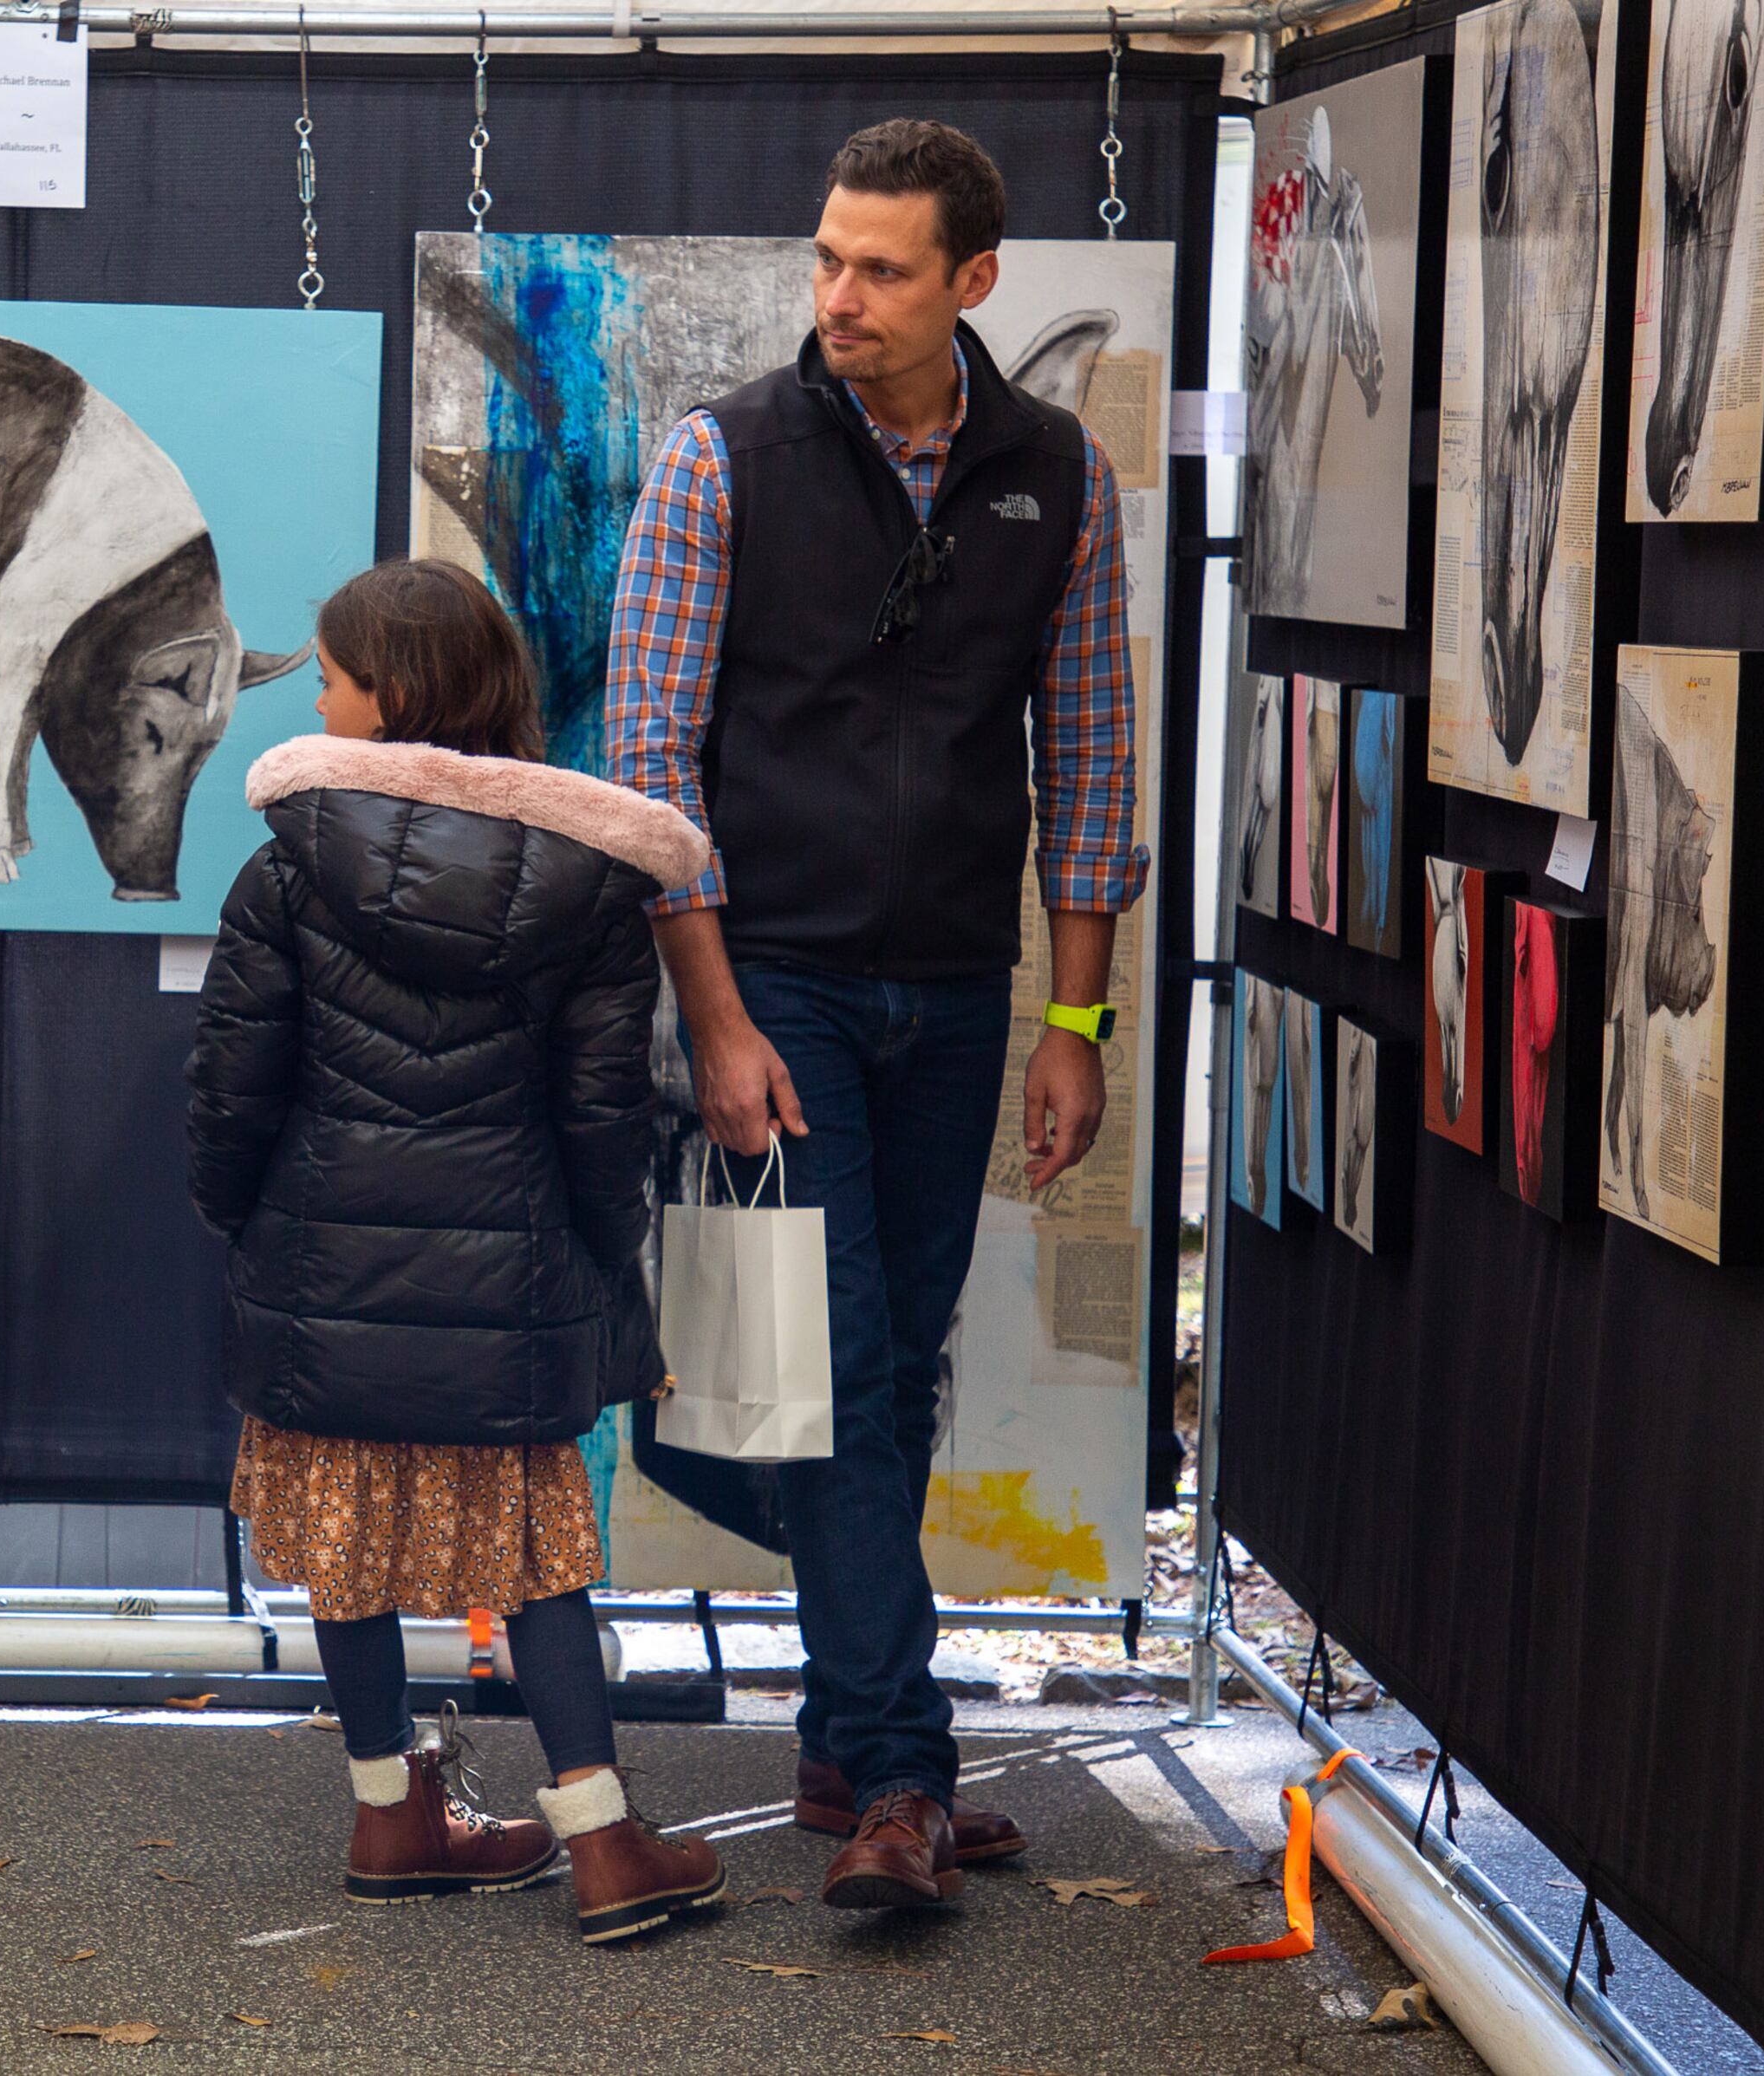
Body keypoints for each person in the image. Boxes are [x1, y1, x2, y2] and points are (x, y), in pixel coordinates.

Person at [602, 119, 1146, 1910]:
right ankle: (907, 1777)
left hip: (958, 993)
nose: (837, 294)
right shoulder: (720, 460)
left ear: (973, 281)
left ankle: (844, 1737)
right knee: (826, 1377)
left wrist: (1080, 1024)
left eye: (881, 267)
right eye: (827, 257)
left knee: (893, 1370)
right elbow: (649, 763)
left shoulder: (1062, 478)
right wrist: (720, 1018)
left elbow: (1095, 764)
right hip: (777, 989)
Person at [186, 559, 721, 1944]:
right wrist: (605, 1263)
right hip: (517, 1271)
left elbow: (230, 1090)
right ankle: (602, 1848)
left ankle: (390, 1818)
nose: (316, 696)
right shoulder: (597, 889)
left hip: (326, 1271)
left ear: (398, 696)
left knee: (348, 1550)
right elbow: (610, 1118)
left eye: (332, 675)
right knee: (538, 1556)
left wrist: (241, 1224)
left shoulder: (286, 865)